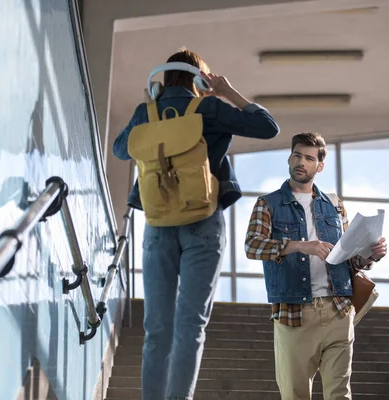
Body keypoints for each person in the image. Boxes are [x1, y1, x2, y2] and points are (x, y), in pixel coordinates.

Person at [113, 48, 280, 400]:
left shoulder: (148, 111)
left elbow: (119, 150)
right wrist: (227, 91)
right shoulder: (209, 108)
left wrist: (152, 113)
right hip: (202, 221)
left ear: (164, 79)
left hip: (158, 222)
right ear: (201, 80)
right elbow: (268, 127)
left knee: (156, 328)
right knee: (191, 326)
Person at [244, 132, 387, 400]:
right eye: (297, 155)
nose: (301, 162)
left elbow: (349, 257)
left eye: (309, 158)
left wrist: (370, 254)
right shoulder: (268, 204)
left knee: (339, 395)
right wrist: (300, 245)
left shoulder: (335, 206)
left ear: (319, 166)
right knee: (295, 394)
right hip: (294, 314)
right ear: (289, 158)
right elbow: (252, 246)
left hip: (339, 310)